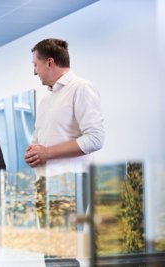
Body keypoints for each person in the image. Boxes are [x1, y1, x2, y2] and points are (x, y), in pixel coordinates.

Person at [24, 38, 104, 228]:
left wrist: (47, 153)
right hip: (44, 182)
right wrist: (33, 153)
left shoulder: (81, 88)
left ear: (50, 62)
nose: (34, 71)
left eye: (36, 65)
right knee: (50, 252)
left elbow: (95, 139)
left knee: (62, 250)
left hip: (70, 182)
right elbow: (39, 141)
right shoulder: (45, 100)